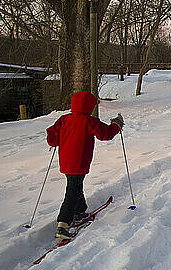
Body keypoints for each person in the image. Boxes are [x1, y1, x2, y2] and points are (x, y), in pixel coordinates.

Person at [46, 91, 124, 239]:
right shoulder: (89, 121)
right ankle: (63, 224)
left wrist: (56, 141)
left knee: (75, 185)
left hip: (66, 161)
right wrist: (116, 125)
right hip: (80, 161)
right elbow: (105, 134)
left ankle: (80, 212)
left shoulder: (64, 119)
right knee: (73, 190)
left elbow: (52, 136)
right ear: (89, 106)